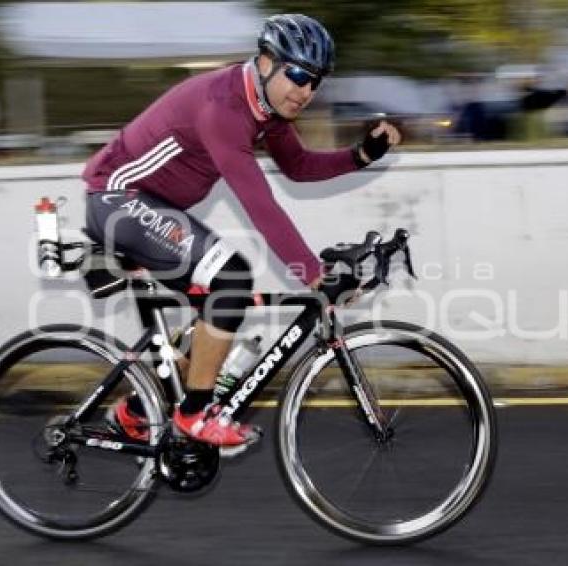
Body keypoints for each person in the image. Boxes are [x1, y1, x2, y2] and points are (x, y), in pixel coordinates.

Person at [81, 14, 401, 449]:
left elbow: (298, 166)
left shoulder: (267, 111)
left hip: (152, 206)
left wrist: (361, 154)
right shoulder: (224, 108)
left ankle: (135, 412)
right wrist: (312, 273)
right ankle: (194, 414)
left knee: (215, 314)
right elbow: (260, 205)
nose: (305, 92)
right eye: (299, 76)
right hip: (118, 198)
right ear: (267, 62)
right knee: (230, 277)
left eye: (316, 82)